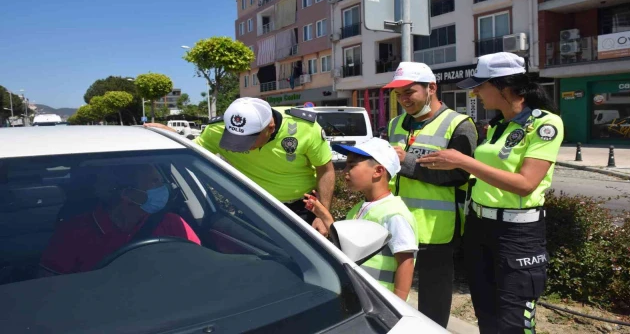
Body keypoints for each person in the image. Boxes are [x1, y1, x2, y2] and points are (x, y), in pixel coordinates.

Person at [417, 52, 564, 333]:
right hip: (480, 227)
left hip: (517, 235)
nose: (475, 92)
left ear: (504, 86)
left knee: (513, 322)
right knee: (486, 315)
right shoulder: (497, 125)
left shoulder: (545, 124)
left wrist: (462, 161)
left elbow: (525, 183)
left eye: (480, 85)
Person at [146, 98, 335, 235]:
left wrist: (322, 214)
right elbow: (194, 150)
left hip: (301, 210)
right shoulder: (217, 130)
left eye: (249, 140)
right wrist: (174, 136)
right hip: (253, 208)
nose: (243, 146)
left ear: (270, 127)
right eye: (235, 140)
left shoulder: (304, 128)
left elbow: (325, 170)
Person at [382, 61, 478, 327]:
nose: (403, 99)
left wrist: (407, 162)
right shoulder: (395, 124)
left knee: (433, 301)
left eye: (409, 92)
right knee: (391, 292)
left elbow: (459, 176)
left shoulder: (459, 125)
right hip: (397, 223)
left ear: (431, 88)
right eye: (398, 94)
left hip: (437, 230)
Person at [303, 138, 418, 301]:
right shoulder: (358, 209)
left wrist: (398, 304)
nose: (344, 172)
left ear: (378, 171)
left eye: (351, 165)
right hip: (361, 296)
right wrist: (324, 215)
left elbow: (406, 263)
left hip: (380, 300)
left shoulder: (394, 213)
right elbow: (346, 245)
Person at [40, 164, 201, 275]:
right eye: (155, 182)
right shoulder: (74, 232)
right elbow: (51, 283)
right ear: (128, 194)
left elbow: (198, 266)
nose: (166, 186)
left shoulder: (172, 223)